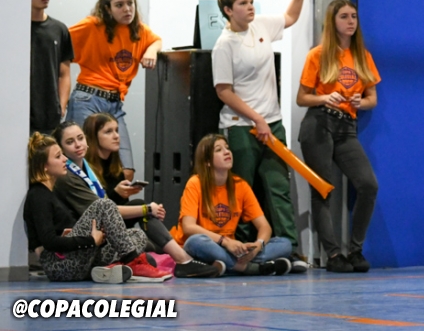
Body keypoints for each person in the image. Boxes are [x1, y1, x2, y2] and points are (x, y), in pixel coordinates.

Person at [213, 0, 312, 273]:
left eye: (251, 1)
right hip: (241, 127)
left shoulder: (262, 25)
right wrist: (256, 118)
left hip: (272, 124)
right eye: (243, 3)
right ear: (228, 11)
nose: (250, 7)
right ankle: (240, 252)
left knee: (278, 186)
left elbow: (290, 17)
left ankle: (290, 250)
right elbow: (224, 91)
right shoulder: (224, 45)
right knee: (242, 189)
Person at [53, 117, 222, 277]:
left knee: (140, 238)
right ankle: (183, 259)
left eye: (80, 138)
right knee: (143, 219)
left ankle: (119, 265)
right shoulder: (66, 176)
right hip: (83, 244)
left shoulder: (90, 168)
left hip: (100, 235)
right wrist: (146, 209)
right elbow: (104, 208)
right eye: (70, 142)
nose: (78, 144)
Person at [297, 0, 380, 273]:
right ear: (332, 22)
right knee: (323, 189)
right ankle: (333, 254)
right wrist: (324, 97)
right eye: (344, 16)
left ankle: (355, 250)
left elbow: (372, 99)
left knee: (368, 184)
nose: (350, 21)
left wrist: (360, 102)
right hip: (319, 123)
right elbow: (302, 98)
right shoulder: (318, 55)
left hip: (347, 126)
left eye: (353, 16)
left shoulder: (363, 56)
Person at [23, 133, 171, 283]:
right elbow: (49, 242)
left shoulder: (51, 192)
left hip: (74, 258)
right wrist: (91, 240)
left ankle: (109, 269)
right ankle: (133, 262)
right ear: (44, 166)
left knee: (137, 235)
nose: (64, 159)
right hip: (58, 265)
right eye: (58, 156)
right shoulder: (38, 195)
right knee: (104, 205)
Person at [66, 0, 161, 177]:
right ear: (108, 9)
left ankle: (113, 198)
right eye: (119, 5)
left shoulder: (138, 30)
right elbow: (59, 39)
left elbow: (156, 40)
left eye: (130, 3)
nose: (127, 9)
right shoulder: (93, 25)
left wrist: (151, 50)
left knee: (126, 170)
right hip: (88, 99)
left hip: (114, 104)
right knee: (85, 165)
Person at [171, 134, 294, 275]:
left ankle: (226, 265)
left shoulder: (240, 185)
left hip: (231, 249)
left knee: (284, 244)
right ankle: (251, 268)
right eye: (218, 150)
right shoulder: (195, 183)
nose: (226, 152)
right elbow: (188, 227)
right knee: (196, 242)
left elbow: (264, 226)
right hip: (207, 245)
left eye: (227, 148)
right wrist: (225, 242)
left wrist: (258, 245)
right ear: (207, 162)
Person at [30, 0, 73, 134]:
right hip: (16, 112)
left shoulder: (59, 29)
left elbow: (64, 73)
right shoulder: (12, 28)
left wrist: (61, 106)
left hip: (48, 116)